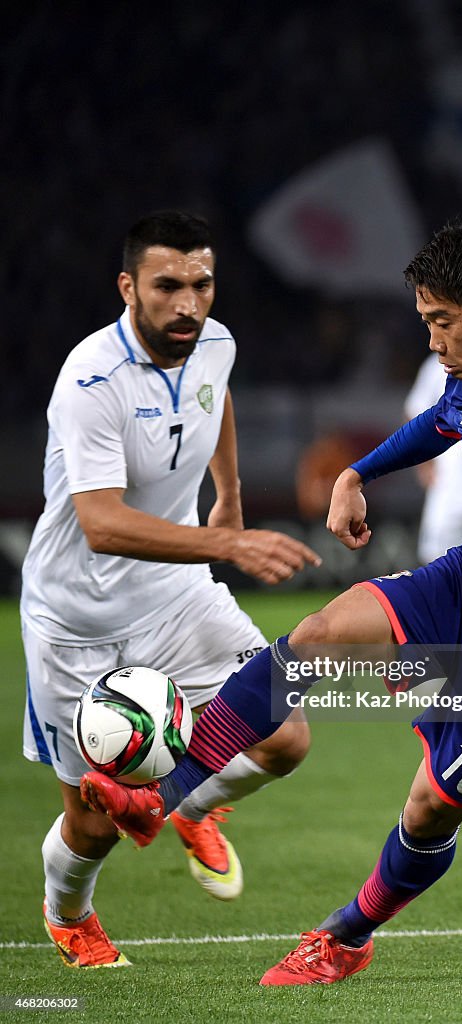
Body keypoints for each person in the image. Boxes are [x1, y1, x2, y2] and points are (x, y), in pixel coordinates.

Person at [81, 221, 462, 985]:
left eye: (440, 322)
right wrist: (357, 473)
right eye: (424, 322)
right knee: (321, 633)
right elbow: (439, 422)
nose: (431, 340)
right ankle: (166, 795)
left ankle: (346, 935)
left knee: (429, 808)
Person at [22, 210, 321, 968]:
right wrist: (229, 542)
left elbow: (214, 398)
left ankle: (191, 804)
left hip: (178, 596)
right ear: (128, 287)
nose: (188, 303)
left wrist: (229, 496)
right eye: (167, 286)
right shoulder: (92, 380)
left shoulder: (212, 342)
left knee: (284, 734)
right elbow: (102, 523)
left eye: (201, 283)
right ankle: (69, 917)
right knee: (91, 826)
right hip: (76, 622)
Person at [404, 352, 462, 562]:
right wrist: (423, 465)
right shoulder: (437, 365)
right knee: (436, 557)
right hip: (449, 481)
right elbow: (414, 412)